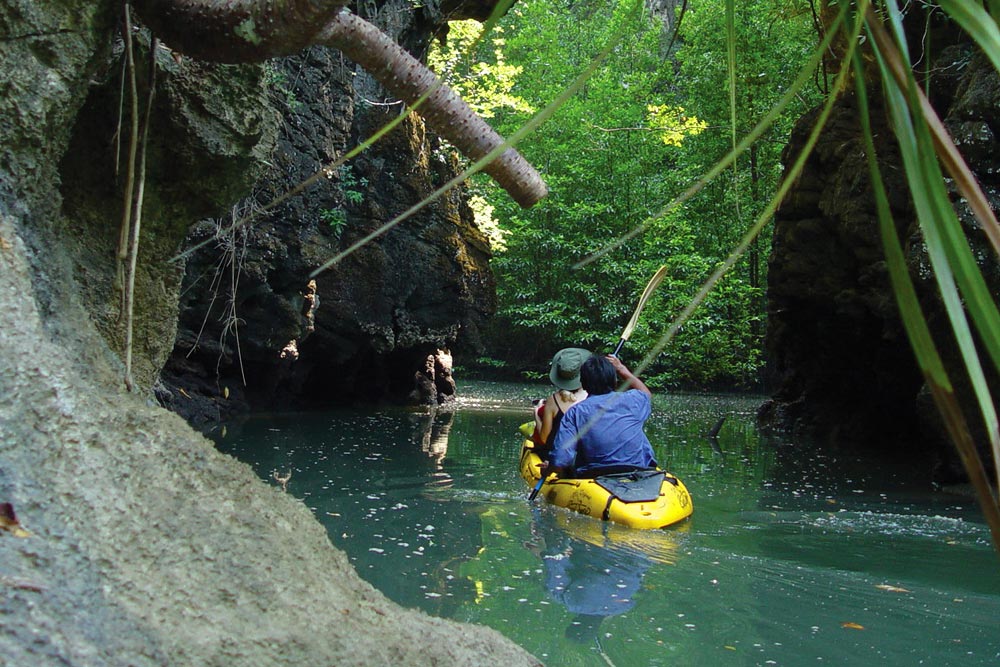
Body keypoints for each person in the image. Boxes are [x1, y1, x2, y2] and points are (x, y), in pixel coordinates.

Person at [545, 354, 657, 477]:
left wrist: (550, 468)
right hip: (640, 470)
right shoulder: (633, 399)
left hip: (595, 475)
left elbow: (561, 460)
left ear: (583, 384)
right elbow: (646, 393)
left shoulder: (575, 412)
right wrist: (621, 369)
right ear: (614, 381)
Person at [532, 348, 591, 457]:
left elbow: (544, 439)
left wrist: (536, 414)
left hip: (560, 457)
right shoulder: (594, 397)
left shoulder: (553, 401)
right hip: (585, 456)